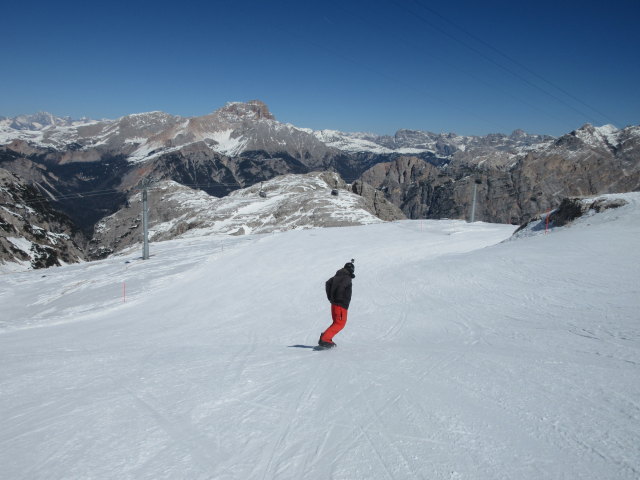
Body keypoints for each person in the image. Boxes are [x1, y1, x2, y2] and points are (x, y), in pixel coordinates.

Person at [319, 260, 355, 348]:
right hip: (340, 305)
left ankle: (326, 336)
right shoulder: (346, 277)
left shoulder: (338, 275)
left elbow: (328, 283)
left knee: (336, 322)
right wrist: (339, 298)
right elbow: (341, 287)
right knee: (340, 323)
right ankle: (325, 339)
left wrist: (330, 297)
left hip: (335, 304)